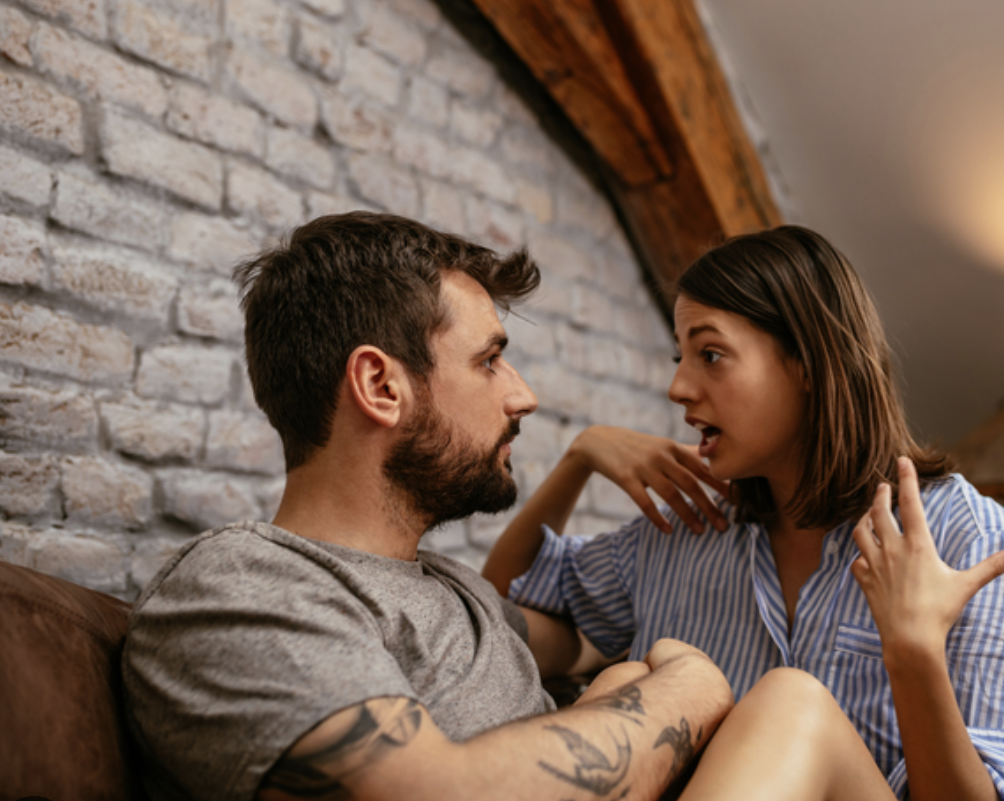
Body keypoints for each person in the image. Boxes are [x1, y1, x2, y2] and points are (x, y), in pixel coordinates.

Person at [123, 213, 888, 801]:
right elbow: (425, 793)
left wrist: (631, 683)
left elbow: (559, 629)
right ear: (381, 386)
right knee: (770, 698)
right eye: (489, 360)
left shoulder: (452, 592)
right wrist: (691, 686)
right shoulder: (243, 584)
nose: (523, 394)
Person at [484, 226, 1004, 801]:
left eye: (711, 355)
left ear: (807, 364)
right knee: (623, 684)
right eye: (680, 359)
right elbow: (494, 631)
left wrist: (913, 651)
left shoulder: (964, 540)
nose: (680, 388)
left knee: (791, 703)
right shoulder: (688, 529)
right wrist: (580, 458)